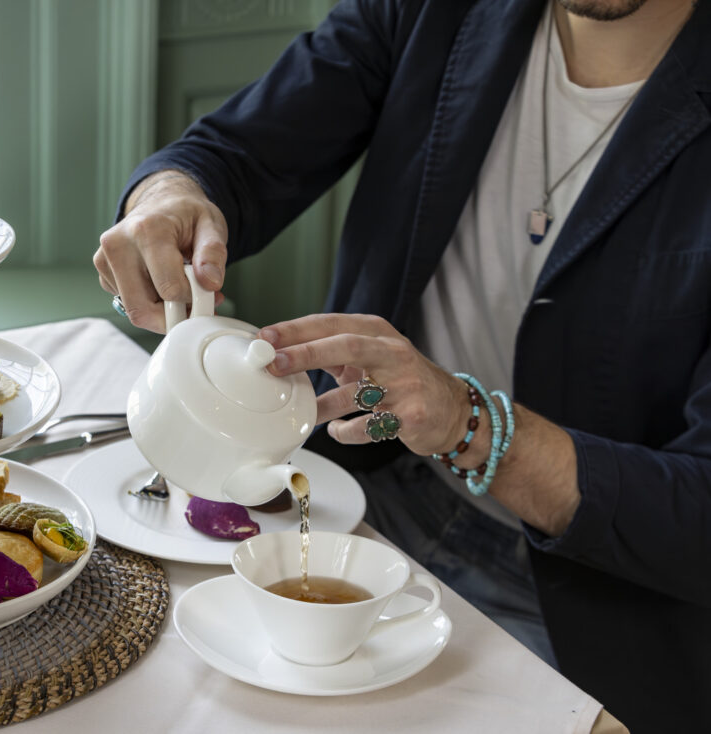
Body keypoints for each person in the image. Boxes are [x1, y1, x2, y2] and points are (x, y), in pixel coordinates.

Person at [94, 0, 711, 730]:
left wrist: (471, 427)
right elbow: (238, 151)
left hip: (588, 604)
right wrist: (170, 197)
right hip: (361, 497)